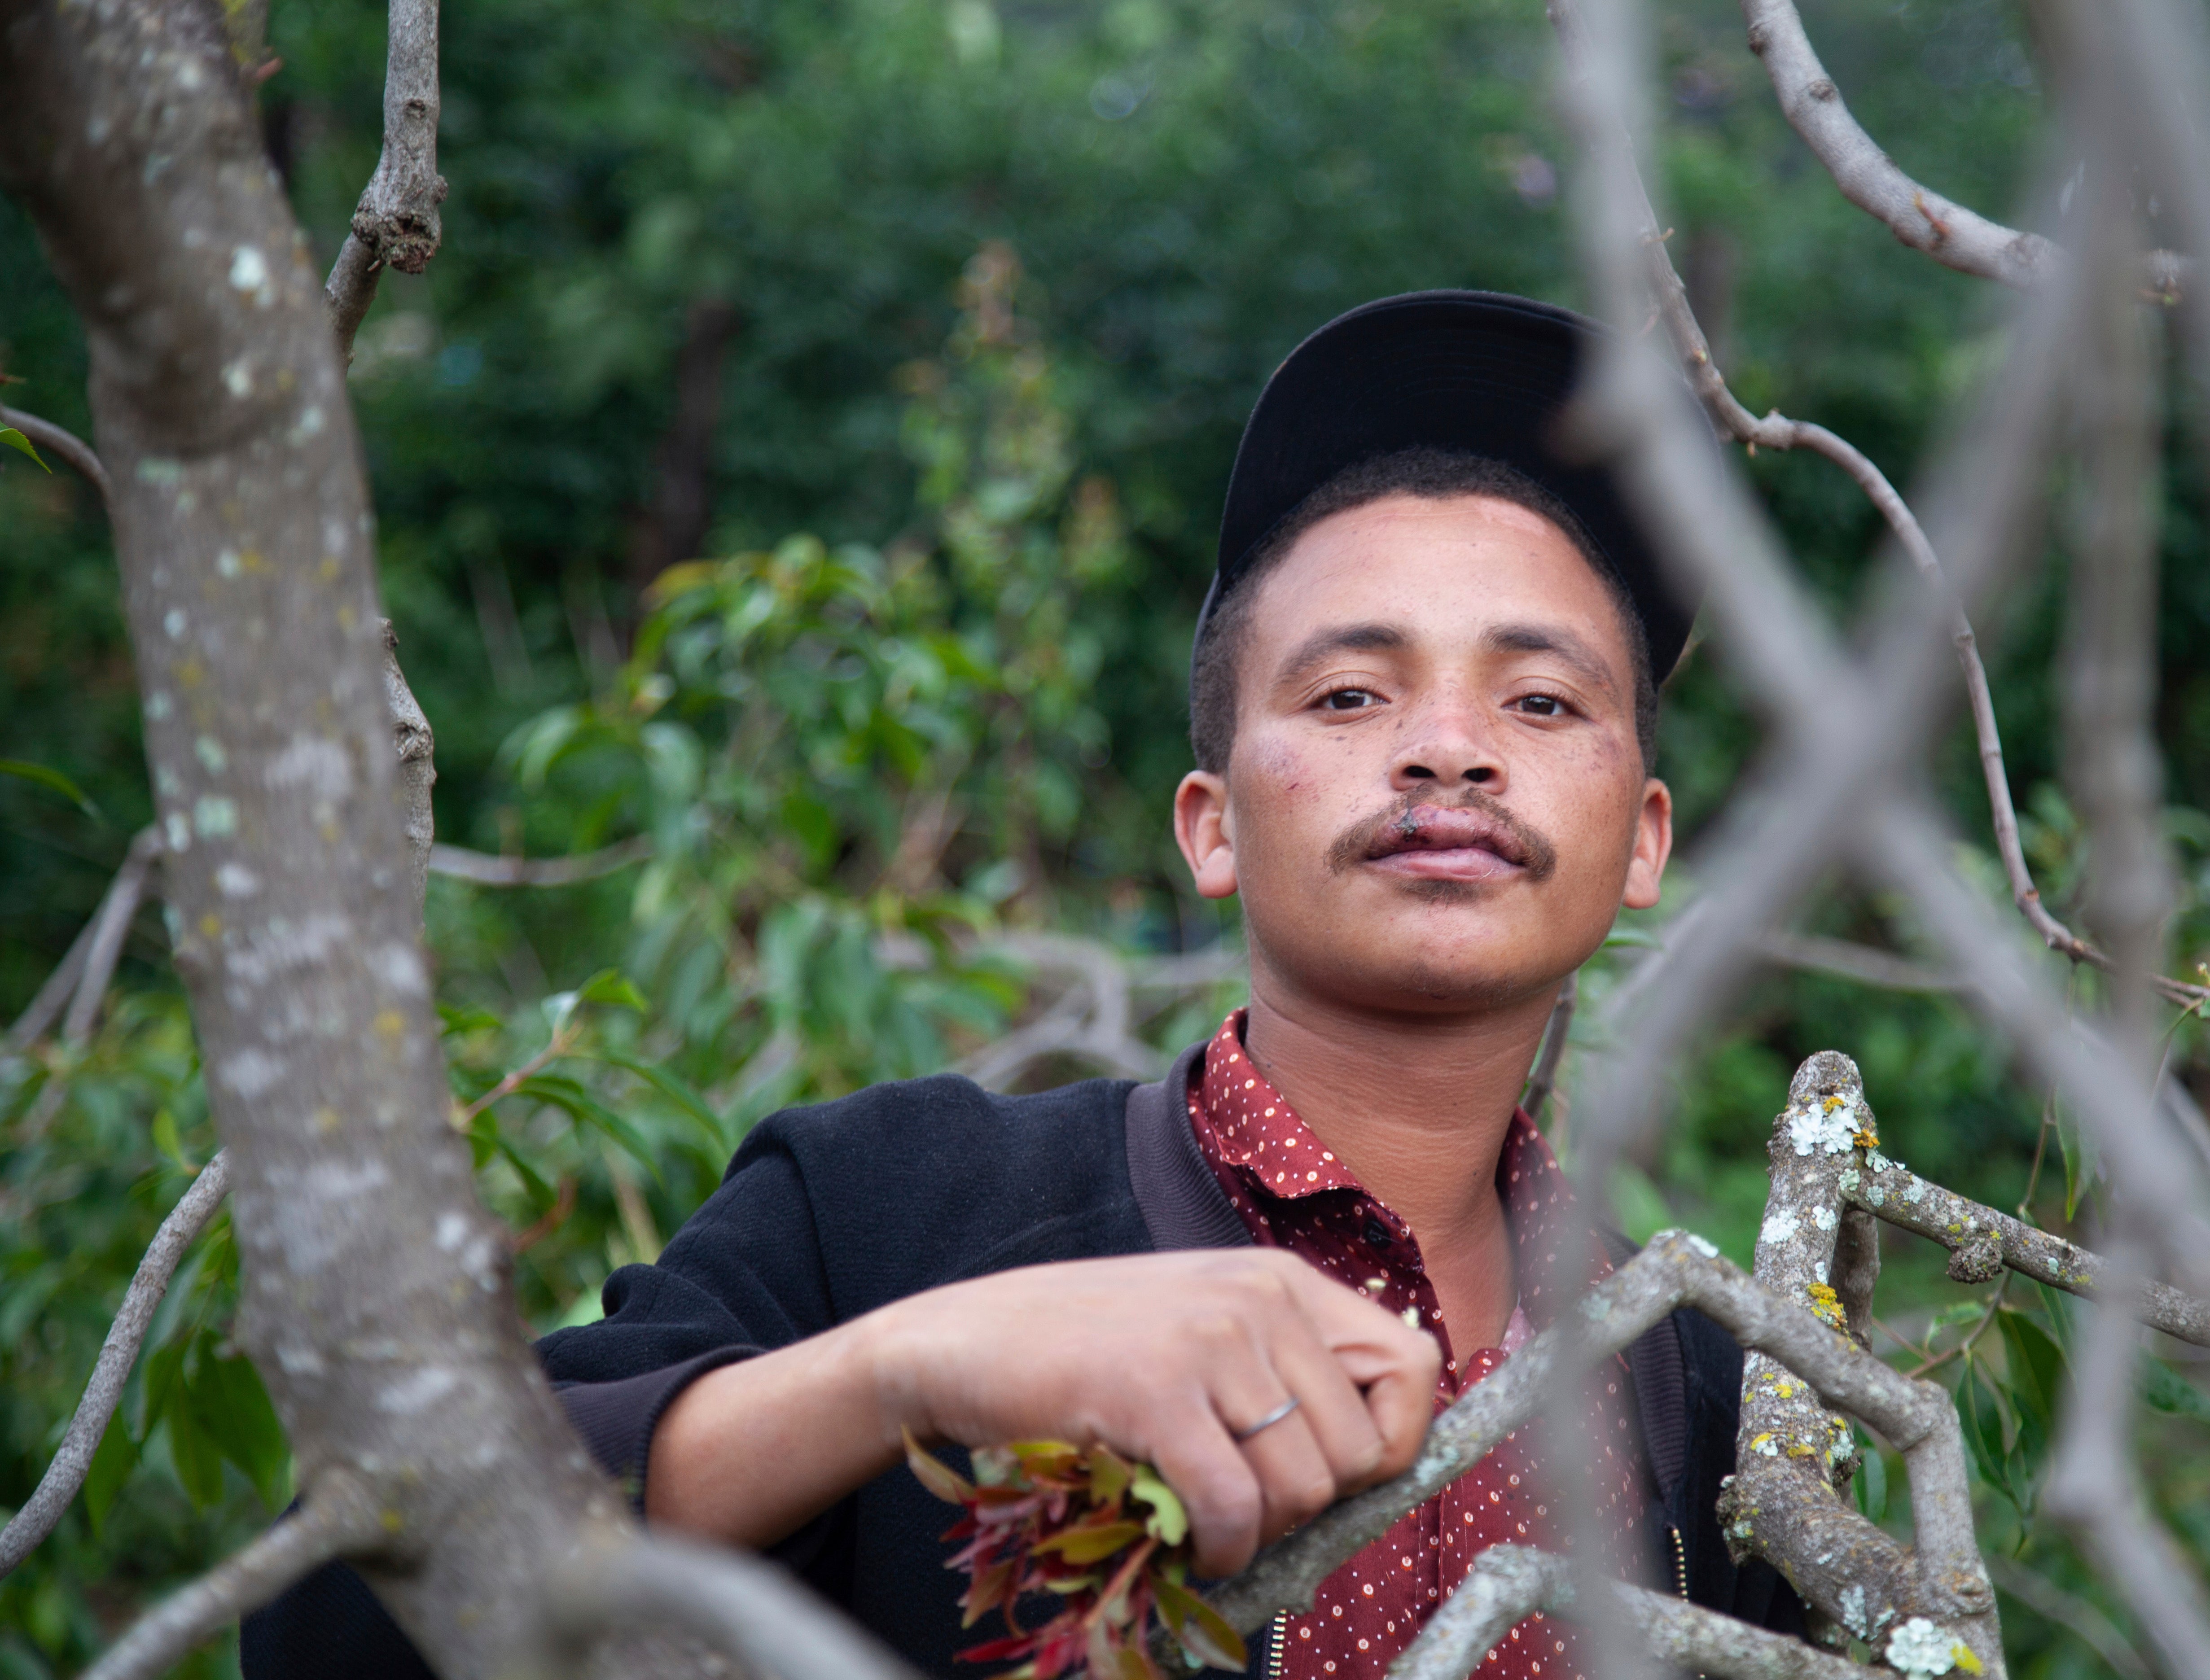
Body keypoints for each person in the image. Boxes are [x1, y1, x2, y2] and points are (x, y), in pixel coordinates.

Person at [244, 291, 1803, 1678]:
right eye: (1347, 691)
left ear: (1644, 840)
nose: (1448, 748)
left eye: (1538, 698)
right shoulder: (886, 1212)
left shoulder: (1702, 1376)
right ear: (1212, 827)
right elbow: (339, 1605)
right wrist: (916, 1369)